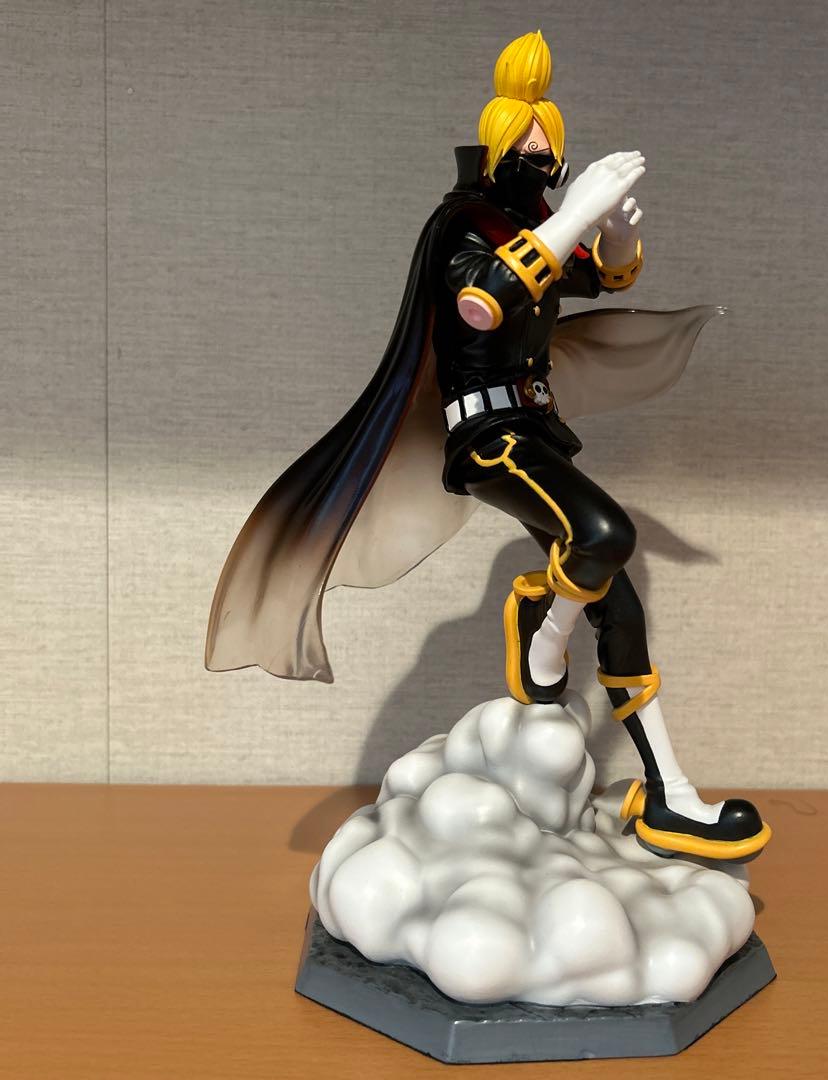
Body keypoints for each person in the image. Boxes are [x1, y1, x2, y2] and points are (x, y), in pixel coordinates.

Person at [206, 30, 770, 862]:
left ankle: (671, 797)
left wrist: (613, 235)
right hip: (487, 439)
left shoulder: (529, 225)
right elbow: (484, 302)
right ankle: (543, 631)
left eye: (553, 157)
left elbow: (590, 276)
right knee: (605, 535)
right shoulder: (461, 226)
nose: (543, 167)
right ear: (497, 148)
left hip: (537, 430)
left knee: (619, 605)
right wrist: (573, 215)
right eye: (529, 153)